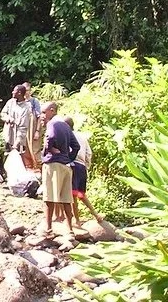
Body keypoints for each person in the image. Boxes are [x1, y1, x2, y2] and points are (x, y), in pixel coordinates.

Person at [40, 101, 80, 236]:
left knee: (49, 197)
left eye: (44, 112)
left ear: (52, 110)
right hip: (66, 166)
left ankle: (48, 228)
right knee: (66, 198)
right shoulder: (65, 125)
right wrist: (68, 157)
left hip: (53, 165)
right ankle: (69, 229)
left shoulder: (53, 124)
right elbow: (76, 146)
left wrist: (48, 149)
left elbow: (50, 137)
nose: (42, 116)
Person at [65, 117, 103, 226]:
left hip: (72, 165)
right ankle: (95, 214)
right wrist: (86, 166)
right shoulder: (82, 137)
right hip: (82, 166)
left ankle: (76, 220)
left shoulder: (67, 136)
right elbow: (89, 153)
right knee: (81, 194)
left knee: (72, 195)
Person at [1, 84, 37, 167]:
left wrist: (16, 143)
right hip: (8, 136)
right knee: (6, 157)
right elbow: (3, 113)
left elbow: (23, 127)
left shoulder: (27, 107)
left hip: (18, 140)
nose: (12, 92)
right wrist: (8, 118)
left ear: (19, 93)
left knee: (17, 160)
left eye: (14, 91)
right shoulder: (10, 102)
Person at [23, 82, 42, 170]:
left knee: (35, 151)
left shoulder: (34, 101)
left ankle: (38, 169)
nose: (26, 92)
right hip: (23, 132)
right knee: (25, 152)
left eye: (27, 90)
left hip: (33, 130)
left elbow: (39, 117)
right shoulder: (19, 102)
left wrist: (37, 131)